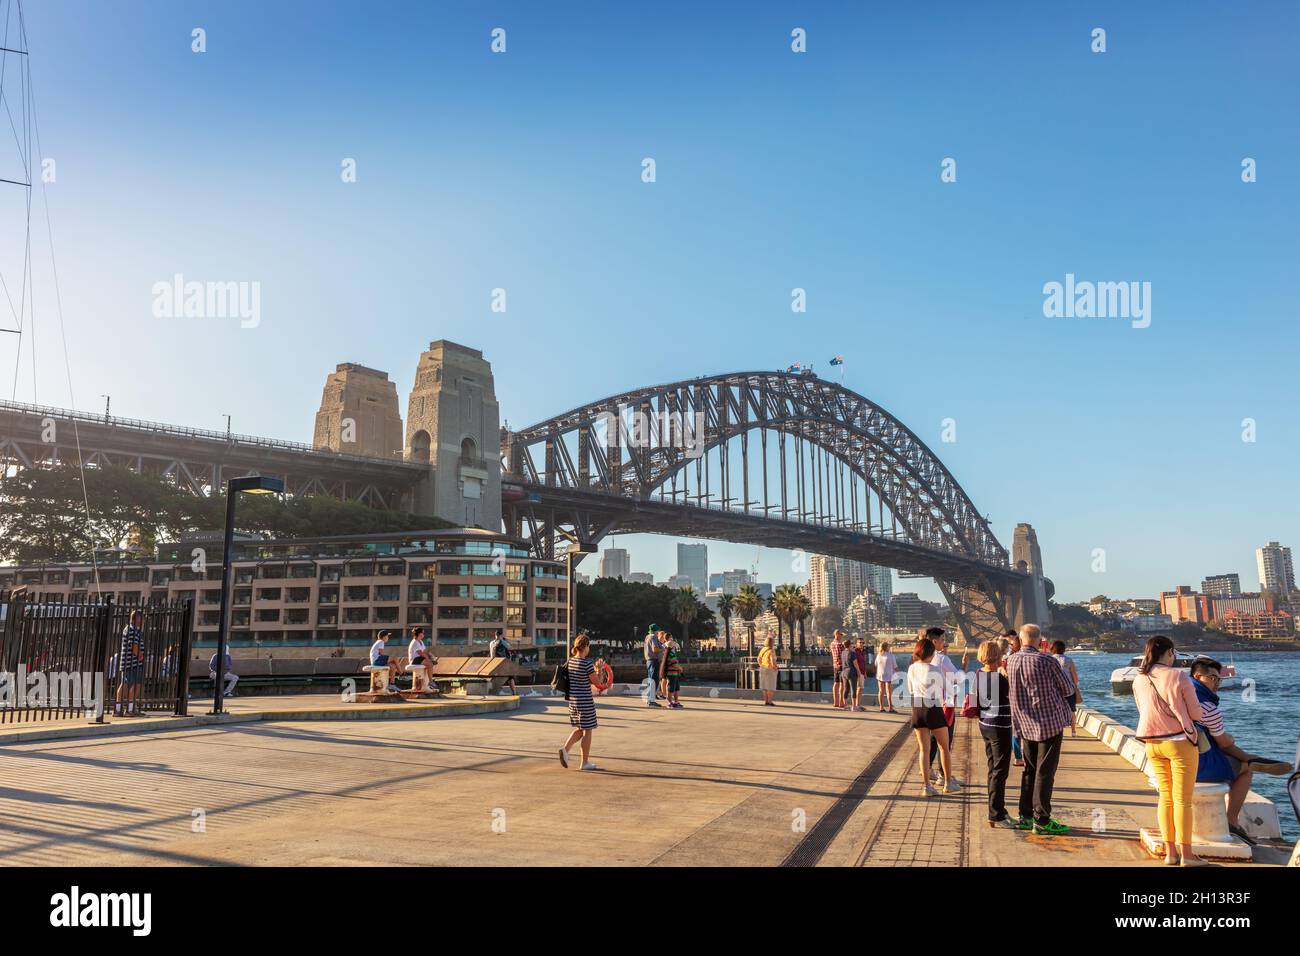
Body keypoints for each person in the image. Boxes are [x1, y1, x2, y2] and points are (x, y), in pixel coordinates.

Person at [1134, 635, 1206, 866]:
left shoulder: (1139, 679)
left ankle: (1170, 853)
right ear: (1170, 652)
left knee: (1165, 797)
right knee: (1182, 800)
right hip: (1179, 743)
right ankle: (1187, 855)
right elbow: (1196, 715)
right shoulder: (1177, 676)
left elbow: (1142, 709)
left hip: (1152, 744)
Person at [1006, 623, 1074, 835]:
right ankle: (1042, 820)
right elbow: (1068, 688)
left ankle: (1025, 816)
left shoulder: (1010, 660)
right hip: (1049, 724)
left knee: (1029, 770)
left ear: (1020, 638)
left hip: (1024, 724)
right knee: (1045, 773)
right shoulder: (1047, 661)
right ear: (1039, 639)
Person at [1189, 658, 1260, 843]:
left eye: (1219, 680)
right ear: (1198, 676)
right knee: (1246, 769)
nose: (1217, 683)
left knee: (1224, 749)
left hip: (1175, 758)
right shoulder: (1208, 706)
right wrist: (1248, 757)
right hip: (1198, 767)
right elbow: (1224, 744)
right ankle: (1231, 821)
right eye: (1213, 678)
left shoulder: (1182, 694)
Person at [908, 637, 956, 796]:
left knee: (924, 749)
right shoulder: (934, 669)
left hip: (917, 708)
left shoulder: (912, 668)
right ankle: (948, 783)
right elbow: (947, 688)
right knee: (944, 747)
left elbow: (910, 689)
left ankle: (927, 786)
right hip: (933, 707)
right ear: (930, 653)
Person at [976, 639, 1016, 828]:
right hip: (1000, 726)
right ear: (996, 656)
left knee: (993, 769)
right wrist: (1006, 674)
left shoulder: (979, 675)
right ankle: (996, 814)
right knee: (1001, 772)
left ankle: (995, 809)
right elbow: (1013, 696)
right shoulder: (999, 679)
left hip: (985, 724)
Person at [925, 627, 963, 788]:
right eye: (942, 640)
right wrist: (964, 666)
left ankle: (928, 771)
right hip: (945, 705)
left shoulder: (921, 659)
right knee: (945, 742)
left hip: (928, 705)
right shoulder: (942, 659)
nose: (944, 643)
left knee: (932, 740)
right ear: (934, 642)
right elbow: (958, 678)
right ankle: (943, 775)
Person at [558, 634, 602, 771]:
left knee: (579, 728)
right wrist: (599, 669)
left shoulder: (570, 662)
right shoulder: (587, 664)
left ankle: (565, 750)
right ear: (585, 646)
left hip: (573, 701)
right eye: (588, 646)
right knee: (587, 731)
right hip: (585, 701)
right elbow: (597, 683)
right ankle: (585, 762)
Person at [999, 629, 1023, 766]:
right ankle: (1021, 755)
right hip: (1022, 697)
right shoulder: (1014, 657)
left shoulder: (1007, 659)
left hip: (1010, 697)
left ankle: (1018, 756)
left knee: (1015, 728)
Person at [116, 609, 146, 717]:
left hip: (131, 662)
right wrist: (141, 657)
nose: (143, 620)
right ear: (136, 618)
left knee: (128, 684)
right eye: (141, 617)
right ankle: (127, 709)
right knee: (130, 685)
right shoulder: (131, 630)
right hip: (132, 662)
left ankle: (124, 709)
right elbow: (134, 646)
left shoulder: (132, 629)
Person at [1049, 640, 1080, 737]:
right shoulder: (1069, 660)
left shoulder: (1049, 660)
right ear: (1064, 649)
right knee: (1072, 711)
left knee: (1054, 710)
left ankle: (1056, 731)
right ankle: (1073, 731)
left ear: (1052, 649)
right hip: (1069, 690)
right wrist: (1074, 685)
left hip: (1054, 690)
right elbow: (1075, 677)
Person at [408, 626, 438, 691]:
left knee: (430, 663)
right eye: (423, 633)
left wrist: (431, 656)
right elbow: (420, 653)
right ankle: (430, 682)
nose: (423, 634)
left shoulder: (420, 641)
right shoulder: (415, 642)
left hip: (419, 658)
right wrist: (429, 659)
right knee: (430, 664)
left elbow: (424, 651)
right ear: (419, 633)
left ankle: (428, 682)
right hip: (414, 660)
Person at [489, 629, 517, 695]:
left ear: (495, 635)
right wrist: (506, 641)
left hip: (494, 663)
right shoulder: (502, 642)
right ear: (501, 635)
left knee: (495, 677)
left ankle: (493, 691)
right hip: (503, 663)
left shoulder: (491, 643)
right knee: (510, 677)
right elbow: (510, 648)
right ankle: (514, 692)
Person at [643, 625, 664, 708]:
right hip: (653, 661)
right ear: (656, 631)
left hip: (649, 661)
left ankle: (650, 700)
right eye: (658, 631)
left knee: (651, 680)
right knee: (654, 681)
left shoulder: (647, 637)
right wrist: (664, 648)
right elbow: (655, 649)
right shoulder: (653, 637)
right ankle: (651, 701)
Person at [662, 634, 684, 708]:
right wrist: (680, 668)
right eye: (673, 645)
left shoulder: (670, 653)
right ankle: (669, 702)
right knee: (671, 688)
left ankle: (676, 701)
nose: (674, 645)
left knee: (676, 688)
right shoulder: (670, 654)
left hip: (675, 673)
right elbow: (674, 664)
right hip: (671, 673)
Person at [875, 640, 896, 713]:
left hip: (880, 675)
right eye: (888, 646)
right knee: (889, 692)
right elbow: (895, 666)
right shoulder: (891, 655)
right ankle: (890, 707)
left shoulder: (878, 655)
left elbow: (875, 665)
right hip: (888, 675)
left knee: (880, 691)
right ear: (887, 647)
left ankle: (881, 707)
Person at [758, 635, 779, 706]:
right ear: (772, 643)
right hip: (770, 669)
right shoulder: (771, 650)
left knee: (764, 686)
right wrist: (775, 668)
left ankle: (766, 701)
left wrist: (761, 665)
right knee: (770, 686)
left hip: (763, 668)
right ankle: (770, 701)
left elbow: (759, 659)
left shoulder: (763, 649)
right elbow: (772, 660)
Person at [829, 629, 846, 708]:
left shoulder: (832, 644)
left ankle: (835, 702)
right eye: (840, 634)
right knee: (842, 684)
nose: (841, 636)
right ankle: (841, 702)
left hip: (835, 665)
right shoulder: (840, 644)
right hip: (841, 666)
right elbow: (843, 655)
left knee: (836, 683)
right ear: (837, 634)